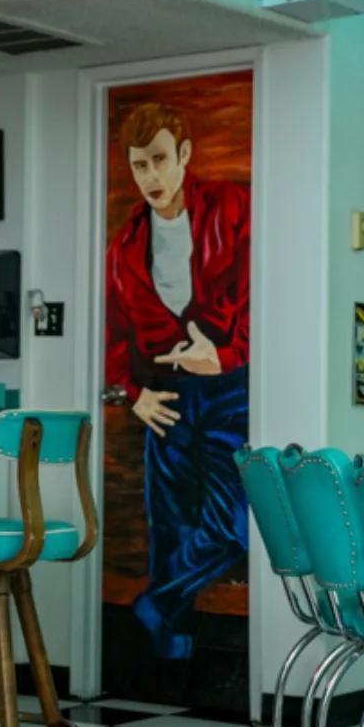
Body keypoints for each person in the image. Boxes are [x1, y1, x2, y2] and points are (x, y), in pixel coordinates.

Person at [105, 102, 250, 661]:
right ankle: (172, 659)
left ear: (184, 155)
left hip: (229, 390)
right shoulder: (123, 249)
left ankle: (155, 605)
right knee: (168, 528)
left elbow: (268, 295)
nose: (152, 178)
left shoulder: (234, 208)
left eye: (160, 160)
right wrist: (133, 395)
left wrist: (230, 354)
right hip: (163, 399)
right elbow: (117, 336)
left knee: (232, 526)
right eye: (140, 166)